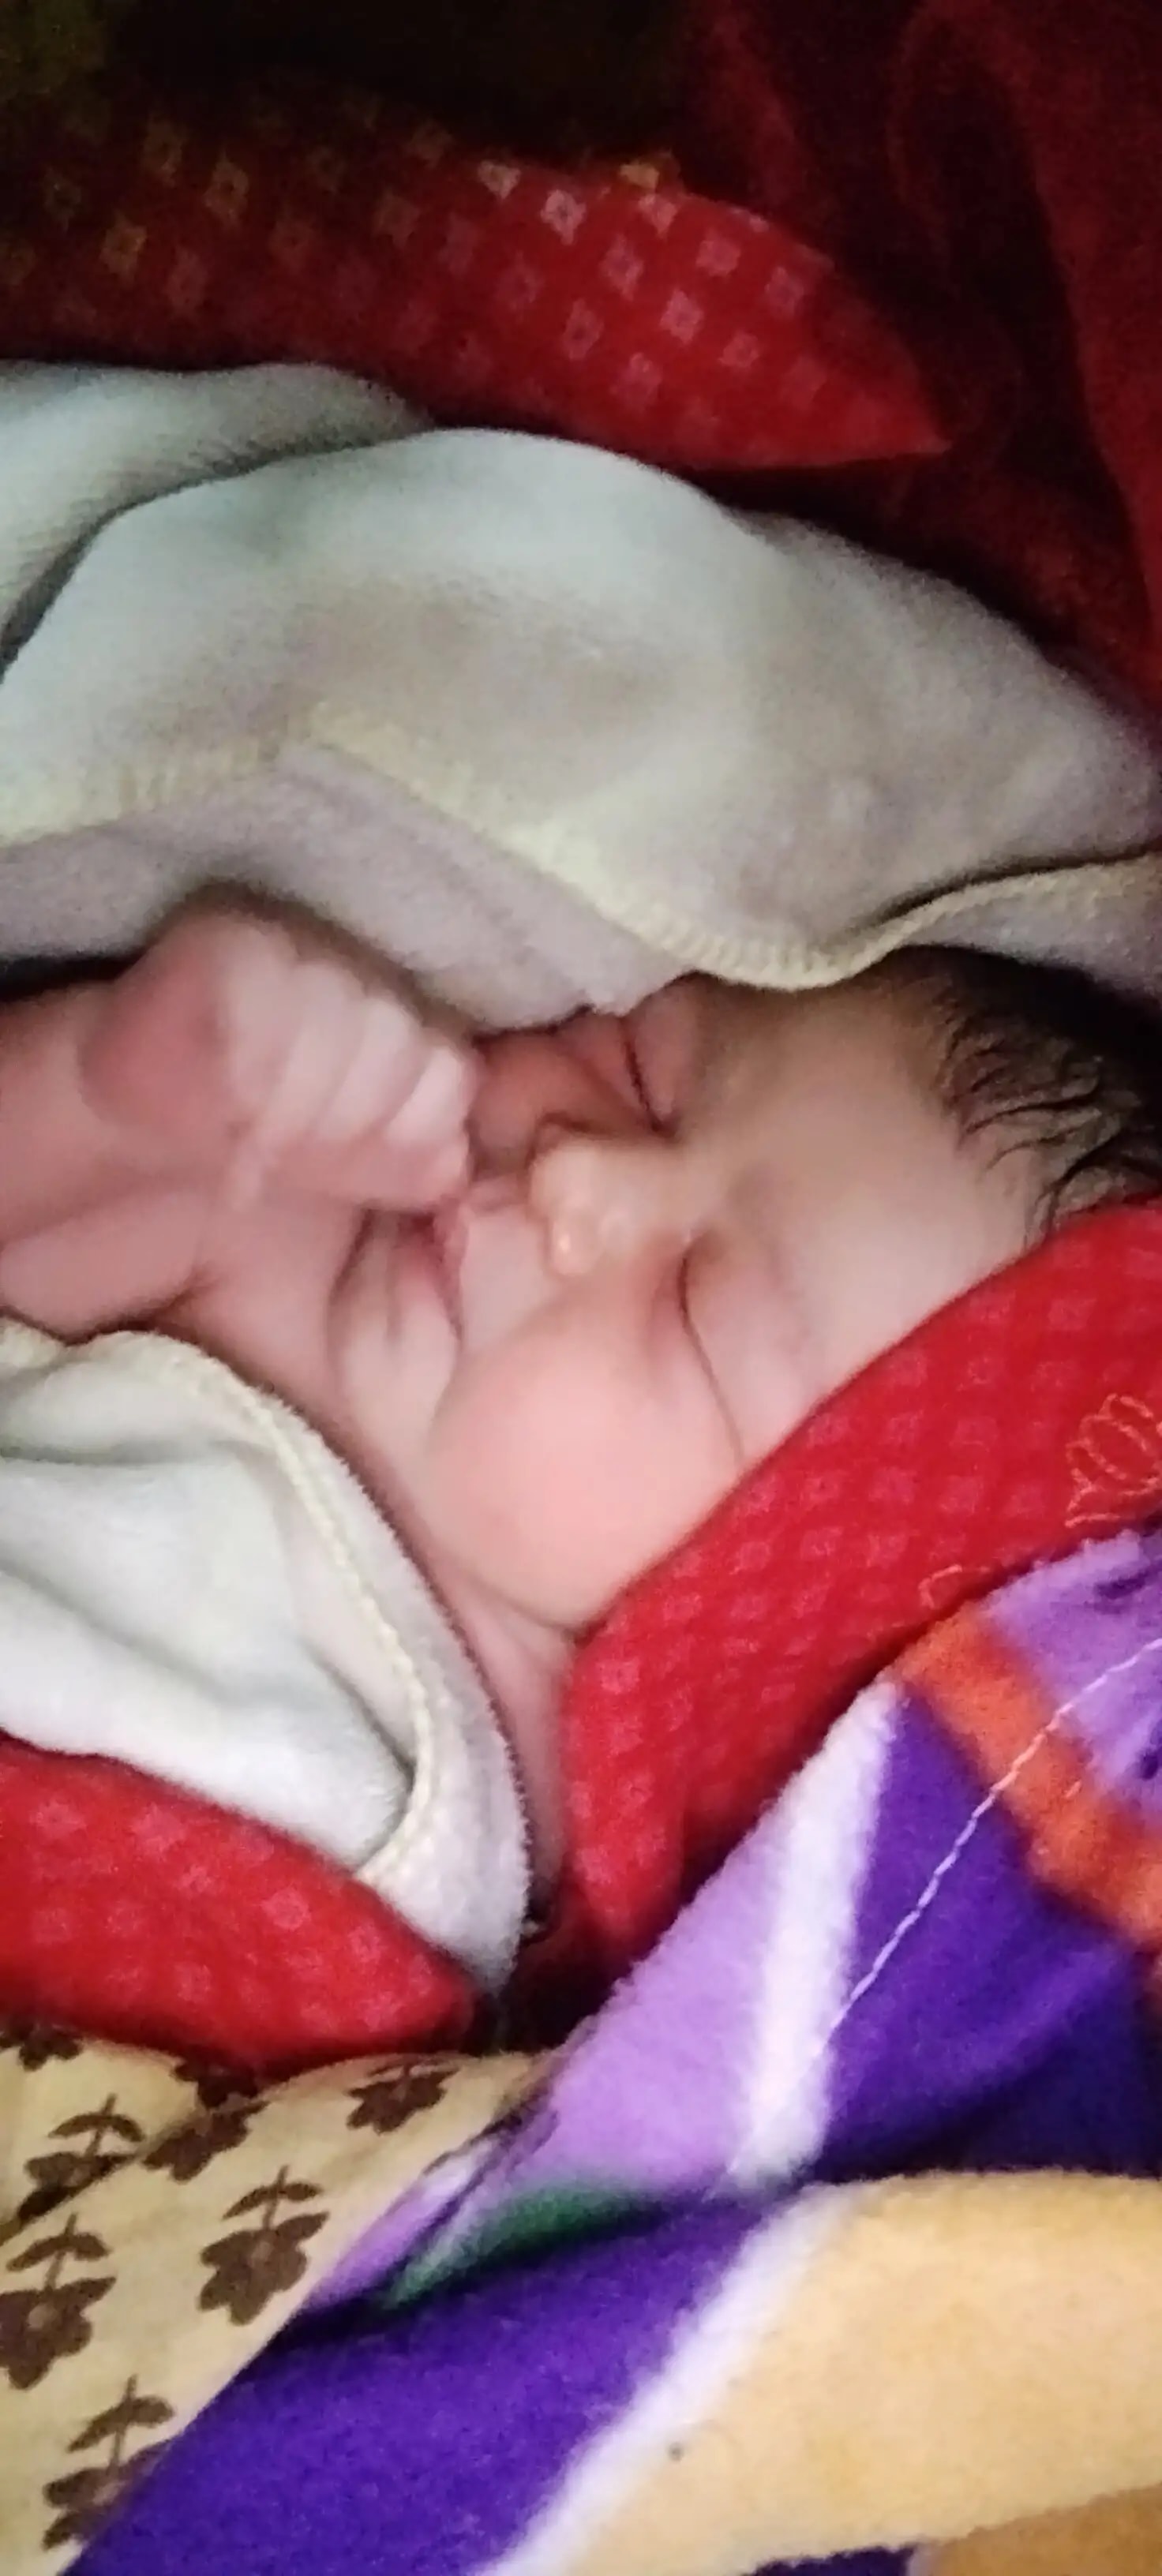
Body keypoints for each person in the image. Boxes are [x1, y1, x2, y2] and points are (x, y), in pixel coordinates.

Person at [0, 900, 1159, 1974]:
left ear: (759, 1611)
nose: (577, 1171)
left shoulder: (639, 1916)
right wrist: (116, 1091)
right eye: (640, 1070)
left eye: (698, 1311)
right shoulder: (280, 1244)